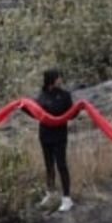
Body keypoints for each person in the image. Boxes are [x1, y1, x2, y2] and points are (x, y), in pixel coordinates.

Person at [35, 69, 75, 213]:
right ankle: (51, 194)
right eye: (58, 77)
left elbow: (71, 114)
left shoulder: (64, 96)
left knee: (61, 165)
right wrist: (22, 107)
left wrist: (78, 108)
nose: (60, 79)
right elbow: (35, 113)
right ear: (51, 79)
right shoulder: (41, 96)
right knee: (49, 166)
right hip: (45, 135)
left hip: (59, 136)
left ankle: (67, 198)